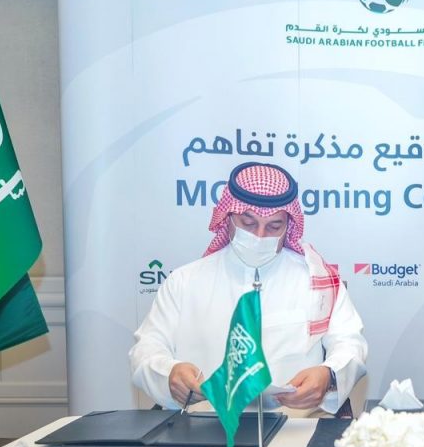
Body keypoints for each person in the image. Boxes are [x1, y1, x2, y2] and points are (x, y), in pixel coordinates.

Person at [129, 162, 367, 413]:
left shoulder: (318, 280)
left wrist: (329, 375)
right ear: (228, 217)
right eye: (248, 223)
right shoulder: (184, 281)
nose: (260, 236)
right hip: (202, 426)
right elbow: (146, 350)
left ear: (288, 224)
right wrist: (169, 374)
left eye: (274, 226)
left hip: (295, 426)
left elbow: (350, 344)